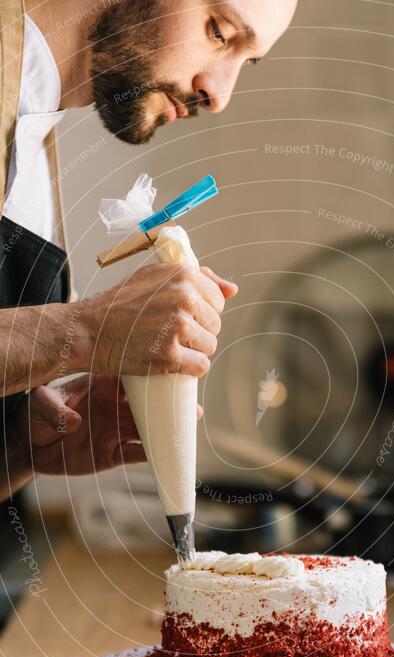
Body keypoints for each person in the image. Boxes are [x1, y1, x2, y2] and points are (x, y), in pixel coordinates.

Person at [0, 0, 298, 500]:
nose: (219, 94)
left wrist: (20, 450)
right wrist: (87, 331)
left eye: (246, 61)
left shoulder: (34, 131)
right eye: (219, 32)